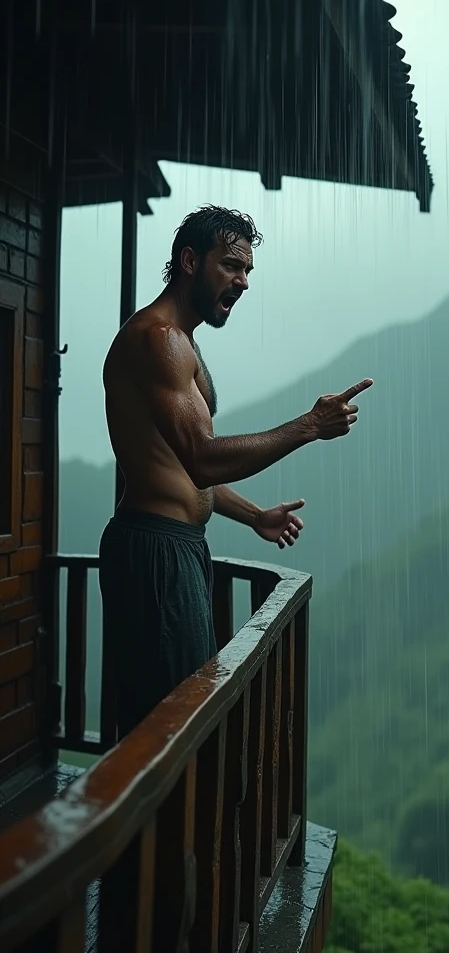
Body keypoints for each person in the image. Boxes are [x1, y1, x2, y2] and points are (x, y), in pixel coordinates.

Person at [99, 204, 373, 738]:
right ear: (188, 261)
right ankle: (163, 823)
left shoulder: (182, 342)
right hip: (156, 549)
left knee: (179, 715)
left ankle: (173, 820)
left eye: (247, 271)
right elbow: (202, 455)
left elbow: (185, 470)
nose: (242, 282)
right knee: (170, 727)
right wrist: (309, 426)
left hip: (176, 545)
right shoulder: (159, 340)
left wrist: (253, 517)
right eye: (230, 266)